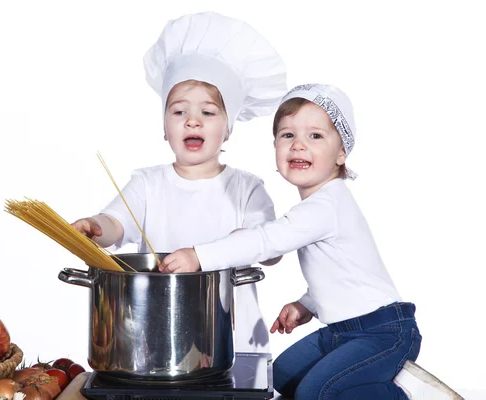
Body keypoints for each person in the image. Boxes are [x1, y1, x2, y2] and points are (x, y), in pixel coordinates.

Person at [159, 84, 463, 399]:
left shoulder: (327, 204)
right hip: (342, 331)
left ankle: (404, 394)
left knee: (315, 393)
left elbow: (268, 240)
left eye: (315, 136)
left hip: (382, 332)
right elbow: (345, 272)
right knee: (281, 377)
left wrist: (199, 255)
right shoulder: (317, 206)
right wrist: (306, 304)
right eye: (287, 135)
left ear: (342, 152)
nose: (298, 145)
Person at [71, 11, 287, 353]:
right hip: (154, 337)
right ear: (164, 126)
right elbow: (116, 223)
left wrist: (226, 248)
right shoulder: (147, 184)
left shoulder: (248, 190)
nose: (192, 121)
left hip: (232, 341)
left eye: (208, 112)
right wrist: (95, 227)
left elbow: (271, 248)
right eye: (179, 111)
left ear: (227, 127)